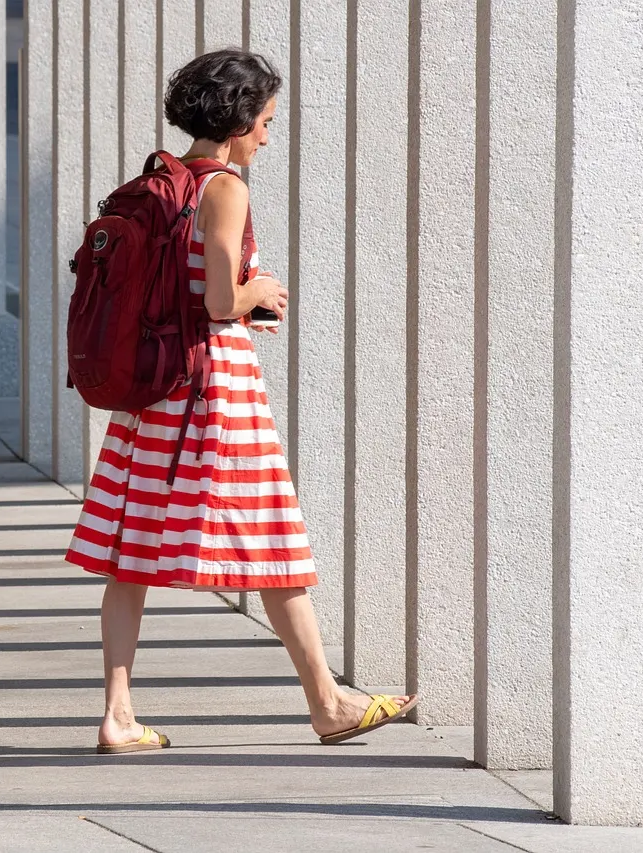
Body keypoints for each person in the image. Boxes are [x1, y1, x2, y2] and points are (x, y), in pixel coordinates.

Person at [64, 49, 418, 754]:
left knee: (130, 554)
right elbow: (220, 298)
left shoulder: (155, 181)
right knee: (274, 540)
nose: (266, 136)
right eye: (264, 122)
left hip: (154, 391)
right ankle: (328, 704)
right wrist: (261, 292)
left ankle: (118, 713)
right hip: (212, 386)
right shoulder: (224, 186)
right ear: (236, 120)